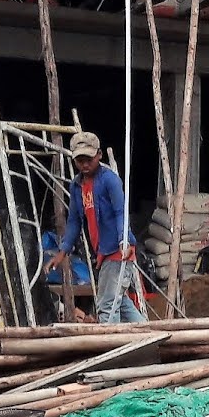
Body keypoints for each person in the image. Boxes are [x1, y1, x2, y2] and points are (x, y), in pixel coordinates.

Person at [48, 132, 144, 324]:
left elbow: (120, 212)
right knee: (119, 300)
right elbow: (74, 220)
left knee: (107, 305)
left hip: (117, 250)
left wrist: (123, 239)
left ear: (99, 155)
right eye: (80, 160)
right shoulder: (76, 186)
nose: (84, 165)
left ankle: (114, 345)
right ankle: (147, 332)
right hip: (102, 253)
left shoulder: (110, 180)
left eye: (89, 160)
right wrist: (63, 251)